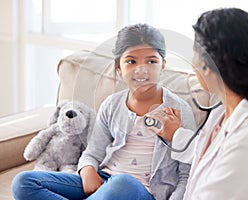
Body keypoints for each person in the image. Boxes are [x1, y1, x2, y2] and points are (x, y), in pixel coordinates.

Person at [11, 24, 196, 200]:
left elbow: (186, 175)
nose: (141, 70)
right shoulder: (112, 104)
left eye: (151, 61)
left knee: (124, 183)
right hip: (104, 182)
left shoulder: (179, 111)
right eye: (131, 61)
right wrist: (87, 170)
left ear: (163, 64)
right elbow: (93, 152)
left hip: (140, 192)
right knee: (23, 182)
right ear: (119, 68)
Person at [153, 8, 248, 199]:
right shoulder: (223, 112)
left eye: (194, 55)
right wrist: (177, 135)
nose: (192, 62)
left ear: (206, 66)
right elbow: (209, 156)